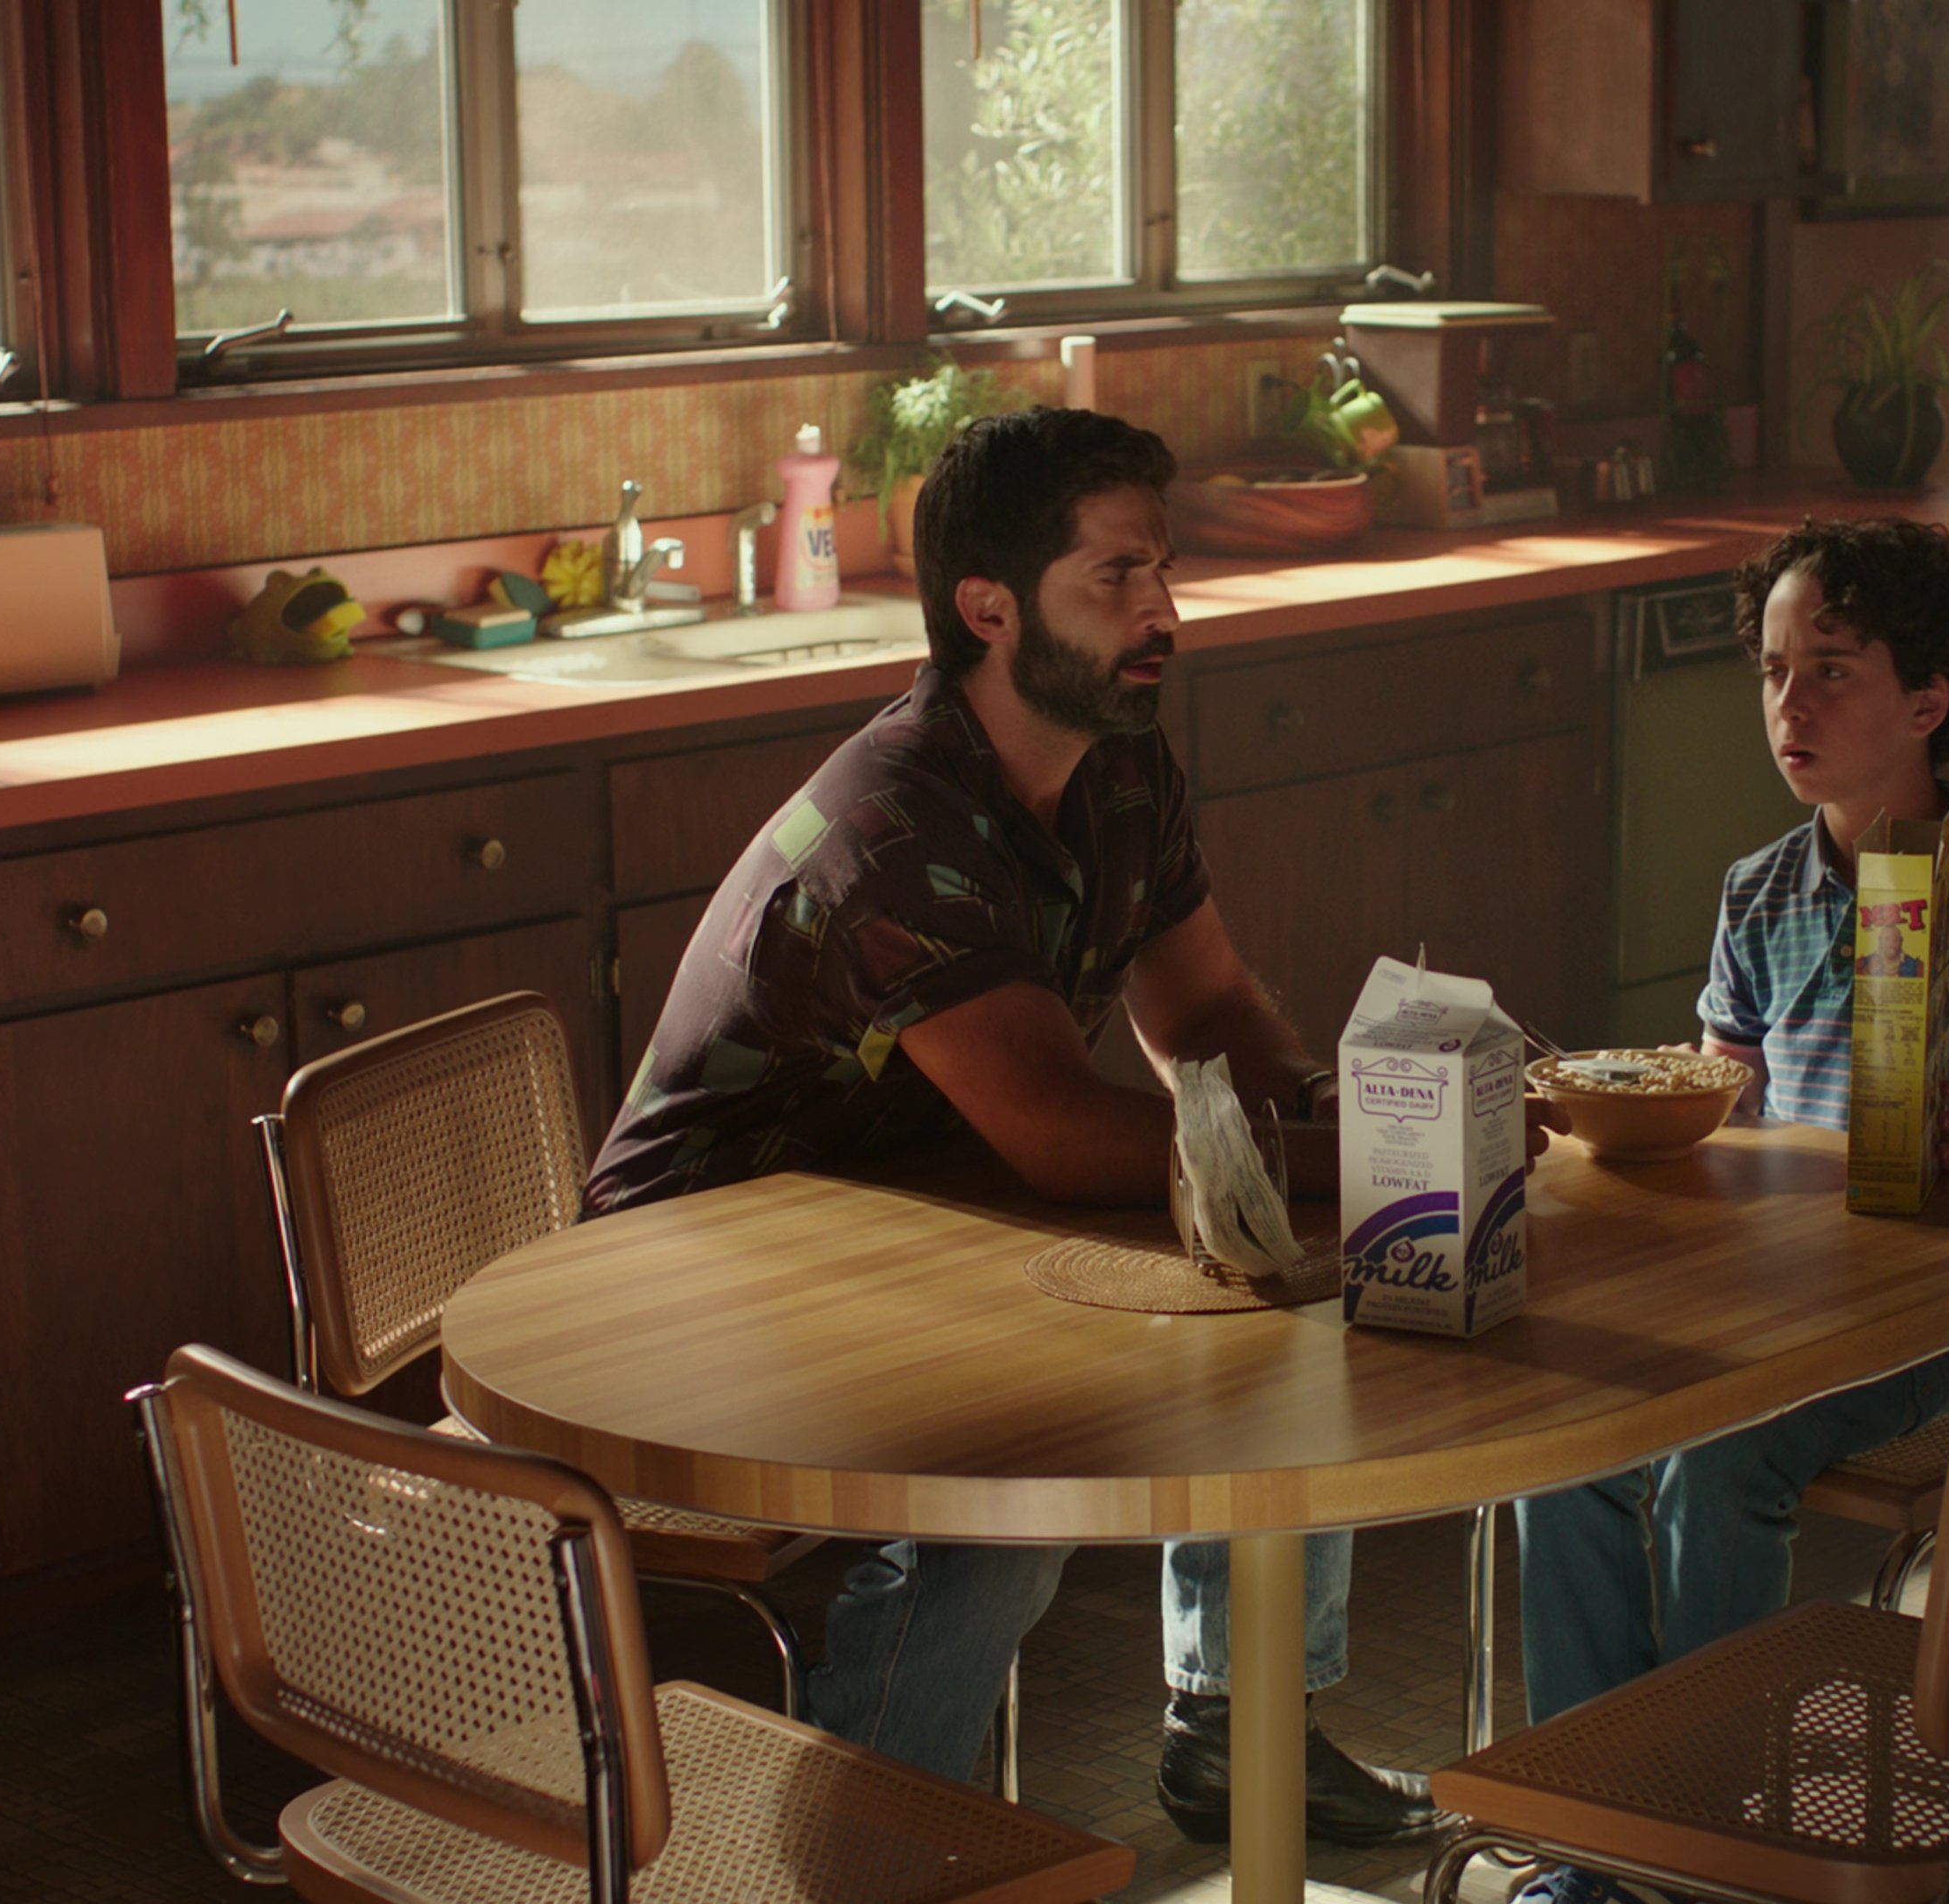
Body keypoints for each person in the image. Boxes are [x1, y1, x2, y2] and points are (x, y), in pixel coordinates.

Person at [584, 406, 1438, 1846]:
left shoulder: (1120, 762)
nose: (1162, 612)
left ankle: (1243, 1736)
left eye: (1162, 571)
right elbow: (1056, 1133)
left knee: (1282, 1323)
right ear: (989, 609)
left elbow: (1204, 1001)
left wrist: (1334, 1111)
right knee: (1010, 1503)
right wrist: (1363, 1168)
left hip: (911, 1224)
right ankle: (872, 1847)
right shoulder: (893, 825)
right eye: (1116, 578)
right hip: (701, 1275)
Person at [1513, 517, 1949, 1893]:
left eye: (1831, 670)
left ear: (1927, 703)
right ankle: (1593, 1822)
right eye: (1774, 671)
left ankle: (1710, 1828)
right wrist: (1629, 1116)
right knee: (1566, 1447)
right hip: (1778, 1293)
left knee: (1721, 1464)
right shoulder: (1758, 891)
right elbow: (1724, 1112)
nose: (1791, 705)